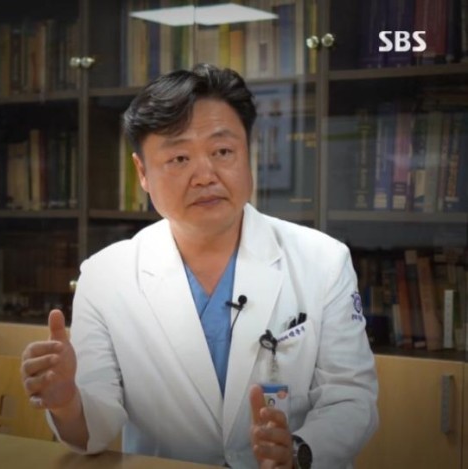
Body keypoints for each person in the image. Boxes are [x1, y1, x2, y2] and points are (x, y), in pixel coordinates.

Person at [20, 64, 378, 469]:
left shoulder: (324, 260)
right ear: (142, 173)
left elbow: (351, 398)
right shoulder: (105, 277)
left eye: (222, 152)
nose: (205, 175)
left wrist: (297, 451)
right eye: (179, 158)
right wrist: (67, 401)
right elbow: (94, 429)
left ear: (248, 153)